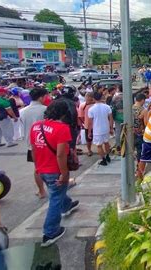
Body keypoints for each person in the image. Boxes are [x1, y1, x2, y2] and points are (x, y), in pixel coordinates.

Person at [30, 99, 80, 247]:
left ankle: (67, 205)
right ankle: (50, 232)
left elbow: (33, 149)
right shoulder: (62, 128)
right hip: (55, 169)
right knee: (55, 198)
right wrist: (64, 174)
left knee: (57, 193)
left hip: (42, 169)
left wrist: (37, 167)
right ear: (65, 113)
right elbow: (61, 155)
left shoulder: (36, 126)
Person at [20, 88, 48, 199]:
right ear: (41, 97)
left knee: (37, 168)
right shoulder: (46, 109)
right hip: (46, 142)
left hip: (31, 144)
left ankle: (41, 191)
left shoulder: (23, 111)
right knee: (52, 166)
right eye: (45, 96)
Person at [88, 92, 114, 166]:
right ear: (101, 97)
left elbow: (90, 123)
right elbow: (111, 118)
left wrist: (89, 132)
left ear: (94, 98)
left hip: (97, 129)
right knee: (106, 143)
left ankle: (103, 159)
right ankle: (108, 156)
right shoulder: (107, 107)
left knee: (99, 146)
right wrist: (111, 128)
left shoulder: (91, 109)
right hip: (106, 128)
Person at [79, 92, 95, 156]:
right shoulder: (97, 104)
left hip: (88, 125)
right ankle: (101, 150)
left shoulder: (82, 105)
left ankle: (89, 150)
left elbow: (81, 117)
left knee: (88, 139)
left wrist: (84, 122)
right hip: (96, 125)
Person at [132, 93, 147, 162]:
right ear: (142, 100)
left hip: (131, 131)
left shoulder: (130, 108)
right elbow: (145, 122)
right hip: (140, 132)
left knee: (131, 149)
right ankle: (139, 166)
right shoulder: (143, 110)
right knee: (140, 150)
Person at [111, 85, 123, 151]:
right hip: (126, 115)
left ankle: (118, 145)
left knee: (118, 131)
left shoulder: (115, 96)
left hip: (117, 115)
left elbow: (112, 106)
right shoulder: (128, 95)